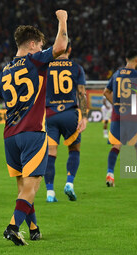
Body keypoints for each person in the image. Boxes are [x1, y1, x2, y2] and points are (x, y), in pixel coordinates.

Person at [0, 10, 68, 245]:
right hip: (33, 133)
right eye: (40, 45)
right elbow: (60, 46)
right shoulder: (36, 60)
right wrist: (63, 19)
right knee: (31, 188)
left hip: (10, 137)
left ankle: (34, 228)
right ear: (32, 44)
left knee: (24, 188)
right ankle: (12, 227)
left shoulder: (4, 71)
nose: (42, 48)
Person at [44, 39, 87, 202]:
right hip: (70, 113)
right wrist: (85, 116)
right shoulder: (77, 68)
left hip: (50, 115)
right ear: (70, 49)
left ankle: (50, 192)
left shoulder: (46, 67)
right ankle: (69, 183)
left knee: (50, 153)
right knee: (74, 149)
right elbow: (82, 93)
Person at [103, 49, 137, 186]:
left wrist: (116, 105)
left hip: (118, 115)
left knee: (116, 145)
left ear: (126, 59)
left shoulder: (117, 74)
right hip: (132, 117)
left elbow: (106, 92)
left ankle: (110, 174)